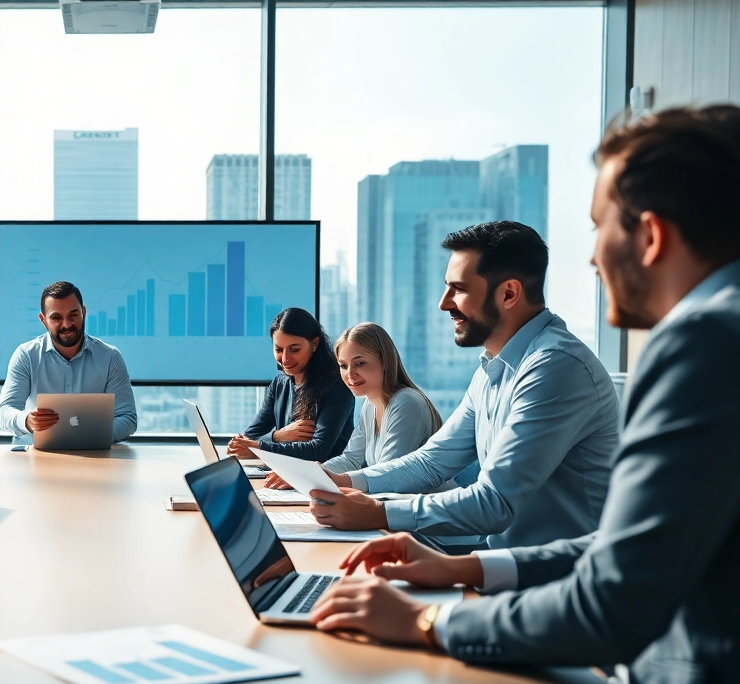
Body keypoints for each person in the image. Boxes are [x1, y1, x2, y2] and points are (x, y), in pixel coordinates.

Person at [310, 105, 740, 684]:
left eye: (599, 227)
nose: (591, 256)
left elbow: (614, 599)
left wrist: (427, 619)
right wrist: (465, 568)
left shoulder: (706, 343)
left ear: (650, 235)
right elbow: (634, 547)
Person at [307, 221, 619, 551]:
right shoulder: (491, 369)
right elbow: (432, 461)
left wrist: (379, 512)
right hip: (500, 558)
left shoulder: (555, 367)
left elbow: (495, 502)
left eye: (458, 289)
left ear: (508, 294)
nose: (444, 303)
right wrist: (343, 482)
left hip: (555, 571)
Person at [264, 322, 445, 489]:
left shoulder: (406, 402)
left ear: (385, 362)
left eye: (360, 363)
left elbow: (387, 474)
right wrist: (307, 474)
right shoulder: (370, 404)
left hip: (422, 509)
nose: (350, 374)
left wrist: (317, 477)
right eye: (343, 366)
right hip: (392, 503)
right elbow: (351, 459)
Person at [0, 281, 137, 445]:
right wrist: (27, 420)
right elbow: (4, 412)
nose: (67, 324)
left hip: (95, 454)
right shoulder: (26, 355)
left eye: (73, 315)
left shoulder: (110, 357)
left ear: (83, 312)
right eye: (56, 317)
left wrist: (94, 435)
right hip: (35, 453)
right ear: (43, 320)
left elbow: (127, 418)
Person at [227, 307, 355, 462]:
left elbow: (318, 451)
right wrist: (278, 436)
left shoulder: (337, 386)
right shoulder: (279, 384)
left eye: (294, 350)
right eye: (278, 349)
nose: (285, 359)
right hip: (287, 471)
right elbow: (250, 436)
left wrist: (259, 448)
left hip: (326, 474)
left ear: (314, 343)